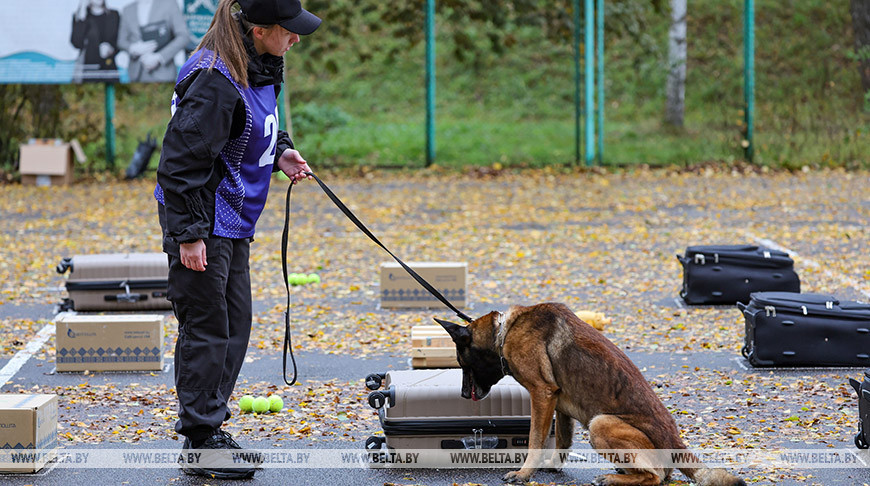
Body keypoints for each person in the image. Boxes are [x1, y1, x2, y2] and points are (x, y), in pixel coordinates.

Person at [153, 0, 321, 479]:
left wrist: (280, 150)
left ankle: (210, 427)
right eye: (288, 30)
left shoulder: (258, 63)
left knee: (235, 323)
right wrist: (188, 236)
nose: (296, 38)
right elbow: (179, 164)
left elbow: (250, 126)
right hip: (202, 219)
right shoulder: (214, 79)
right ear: (260, 29)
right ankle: (200, 441)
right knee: (207, 329)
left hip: (232, 221)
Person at [117, 0, 191, 82]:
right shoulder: (127, 9)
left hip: (163, 73)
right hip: (136, 74)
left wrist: (159, 57)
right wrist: (132, 48)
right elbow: (121, 41)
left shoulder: (169, 4)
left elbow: (184, 36)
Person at [70, 0, 120, 83]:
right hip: (88, 70)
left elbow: (120, 41)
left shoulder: (114, 15)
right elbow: (76, 43)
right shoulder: (80, 16)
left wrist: (111, 49)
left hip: (109, 68)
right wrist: (82, 16)